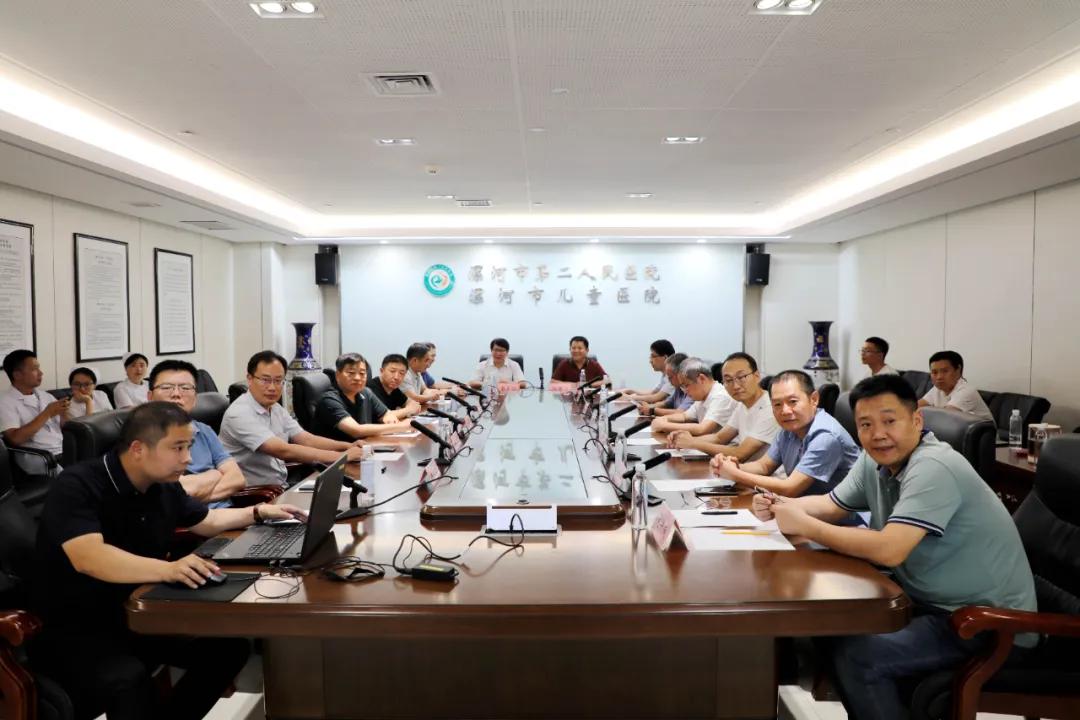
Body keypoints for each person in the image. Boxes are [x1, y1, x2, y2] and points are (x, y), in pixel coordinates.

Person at [752, 375, 1036, 720]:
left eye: (889, 421)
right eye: (865, 424)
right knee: (829, 628)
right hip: (929, 604)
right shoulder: (875, 460)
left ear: (916, 420)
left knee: (860, 655)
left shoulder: (934, 466)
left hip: (986, 624)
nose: (878, 434)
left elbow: (890, 549)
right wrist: (780, 505)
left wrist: (805, 525)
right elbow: (830, 505)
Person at [29, 401, 305, 720]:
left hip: (138, 612)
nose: (188, 458)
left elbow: (205, 521)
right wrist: (170, 569)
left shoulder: (162, 484)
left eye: (188, 446)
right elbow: (89, 558)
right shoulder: (78, 484)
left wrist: (258, 512)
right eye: (178, 448)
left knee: (228, 650)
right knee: (129, 680)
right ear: (138, 449)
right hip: (75, 626)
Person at [220, 350, 365, 486]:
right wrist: (342, 456)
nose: (272, 387)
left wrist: (346, 446)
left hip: (281, 486)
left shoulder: (275, 407)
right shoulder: (239, 413)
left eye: (278, 380)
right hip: (257, 495)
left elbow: (306, 439)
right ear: (250, 379)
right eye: (265, 380)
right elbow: (284, 450)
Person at [712, 369, 859, 496]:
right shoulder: (789, 429)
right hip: (804, 507)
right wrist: (729, 466)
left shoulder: (826, 437)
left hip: (841, 516)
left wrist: (736, 474)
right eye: (777, 404)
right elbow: (764, 466)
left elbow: (790, 488)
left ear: (814, 399)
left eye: (793, 401)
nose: (785, 411)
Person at [148, 359, 245, 505]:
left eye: (185, 388)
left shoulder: (204, 430)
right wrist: (214, 474)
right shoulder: (144, 439)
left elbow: (237, 479)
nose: (176, 394)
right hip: (190, 519)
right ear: (150, 397)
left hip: (229, 513)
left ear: (195, 398)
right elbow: (176, 494)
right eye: (167, 387)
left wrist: (192, 498)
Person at [668, 352, 779, 461]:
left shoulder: (770, 408)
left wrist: (693, 443)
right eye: (728, 380)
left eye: (741, 377)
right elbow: (719, 438)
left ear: (757, 376)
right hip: (742, 469)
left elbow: (740, 453)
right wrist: (685, 439)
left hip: (760, 472)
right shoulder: (742, 405)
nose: (735, 386)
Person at [311, 353, 416, 441]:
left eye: (362, 373)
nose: (357, 378)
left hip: (365, 448)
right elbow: (356, 431)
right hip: (338, 454)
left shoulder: (366, 392)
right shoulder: (329, 400)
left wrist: (390, 419)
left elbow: (387, 414)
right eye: (351, 373)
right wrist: (401, 426)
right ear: (338, 375)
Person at [1, 349, 67, 472]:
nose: (41, 373)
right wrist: (47, 413)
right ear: (17, 375)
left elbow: (64, 427)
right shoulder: (5, 402)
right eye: (34, 369)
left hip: (63, 449)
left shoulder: (46, 396)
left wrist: (64, 413)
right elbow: (15, 439)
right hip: (40, 457)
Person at [649, 357, 736, 436]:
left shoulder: (720, 396)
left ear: (701, 379)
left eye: (686, 385)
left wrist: (665, 425)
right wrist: (664, 419)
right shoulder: (702, 397)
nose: (685, 391)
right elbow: (684, 416)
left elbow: (702, 429)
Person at [917, 350, 993, 422]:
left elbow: (944, 417)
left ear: (958, 370)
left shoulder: (967, 391)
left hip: (981, 431)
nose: (939, 377)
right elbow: (914, 407)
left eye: (945, 371)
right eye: (934, 372)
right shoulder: (937, 389)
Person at [639, 352, 693, 417]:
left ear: (680, 374)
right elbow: (666, 403)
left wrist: (652, 410)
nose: (669, 381)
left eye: (670, 377)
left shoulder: (692, 390)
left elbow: (680, 413)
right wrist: (649, 407)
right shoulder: (679, 388)